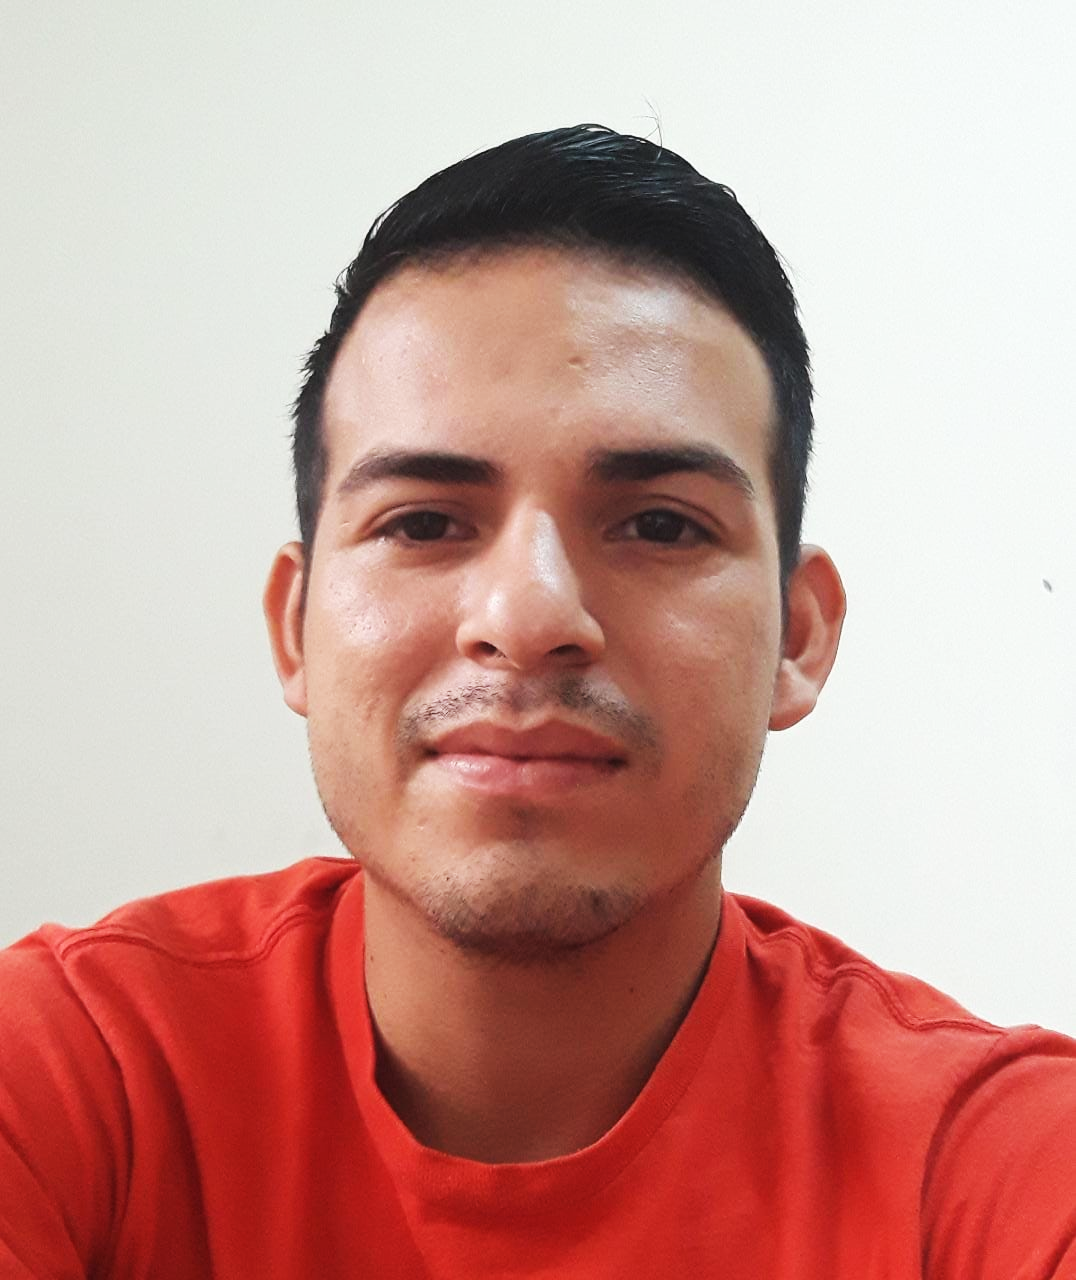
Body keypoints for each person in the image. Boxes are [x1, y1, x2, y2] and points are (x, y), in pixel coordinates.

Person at [1, 125, 1073, 1278]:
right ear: (293, 628)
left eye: (658, 524)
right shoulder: (77, 1070)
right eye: (423, 522)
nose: (527, 614)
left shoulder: (996, 1162)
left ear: (796, 637)